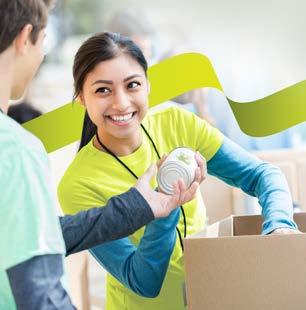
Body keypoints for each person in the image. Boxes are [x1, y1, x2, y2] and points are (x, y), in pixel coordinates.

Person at [58, 32, 299, 310]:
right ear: (81, 99)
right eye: (103, 90)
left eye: (132, 85)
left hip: (208, 296)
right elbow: (143, 282)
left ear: (148, 86)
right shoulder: (77, 184)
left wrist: (279, 226)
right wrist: (164, 205)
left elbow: (263, 175)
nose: (121, 103)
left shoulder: (177, 123)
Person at [0, 1, 201, 309]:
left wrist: (138, 206)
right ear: (24, 38)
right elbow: (39, 294)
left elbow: (32, 233)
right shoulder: (15, 150)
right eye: (44, 41)